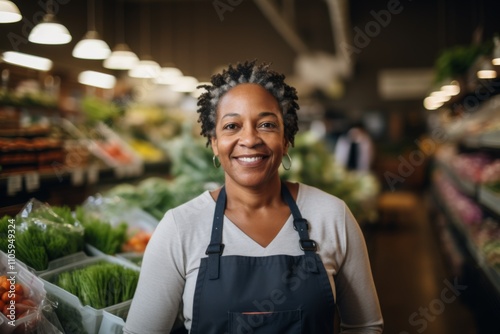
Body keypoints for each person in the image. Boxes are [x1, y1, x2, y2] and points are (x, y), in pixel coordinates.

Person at [123, 60, 383, 334]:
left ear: (286, 140)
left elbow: (364, 326)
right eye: (232, 126)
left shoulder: (331, 215)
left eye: (267, 124)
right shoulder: (179, 227)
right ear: (214, 142)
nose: (249, 139)